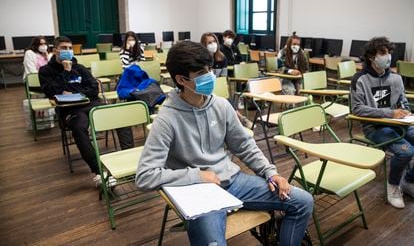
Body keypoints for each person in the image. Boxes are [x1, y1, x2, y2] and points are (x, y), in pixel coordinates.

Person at [136, 41, 313, 246]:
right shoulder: (166, 119)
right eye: (201, 73)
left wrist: (270, 172)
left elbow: (244, 146)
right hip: (200, 192)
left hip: (233, 181)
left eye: (210, 69)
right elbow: (145, 176)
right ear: (181, 80)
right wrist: (196, 175)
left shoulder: (220, 105)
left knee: (303, 201)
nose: (210, 76)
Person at [39, 36, 134, 185]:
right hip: (70, 110)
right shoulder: (46, 71)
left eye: (70, 48)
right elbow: (52, 92)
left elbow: (93, 89)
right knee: (79, 128)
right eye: (64, 48)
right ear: (54, 50)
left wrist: (73, 92)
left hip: (92, 104)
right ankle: (99, 171)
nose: (68, 51)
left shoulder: (80, 68)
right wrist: (66, 72)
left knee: (120, 116)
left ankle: (130, 163)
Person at [351, 36, 414, 209]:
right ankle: (393, 186)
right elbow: (357, 109)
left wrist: (404, 110)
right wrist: (389, 112)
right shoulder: (360, 79)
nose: (387, 56)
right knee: (406, 152)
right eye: (382, 52)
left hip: (397, 124)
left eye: (389, 52)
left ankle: (408, 181)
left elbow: (403, 102)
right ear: (371, 56)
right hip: (374, 127)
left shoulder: (396, 79)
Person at [200, 32, 253, 129]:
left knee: (225, 99)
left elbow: (223, 78)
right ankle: (240, 119)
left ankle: (238, 121)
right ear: (204, 45)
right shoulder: (200, 60)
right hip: (204, 91)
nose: (213, 44)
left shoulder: (222, 58)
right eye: (209, 43)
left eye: (214, 41)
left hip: (218, 88)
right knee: (224, 100)